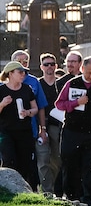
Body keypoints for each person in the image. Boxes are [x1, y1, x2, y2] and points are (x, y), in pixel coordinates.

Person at [55, 56, 91, 206]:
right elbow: (59, 104)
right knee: (70, 163)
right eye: (89, 73)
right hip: (72, 131)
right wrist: (76, 103)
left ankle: (89, 199)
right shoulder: (72, 83)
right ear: (82, 69)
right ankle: (73, 196)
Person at [11, 50, 49, 191]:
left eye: (25, 61)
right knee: (11, 159)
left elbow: (40, 107)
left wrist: (42, 129)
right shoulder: (4, 84)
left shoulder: (33, 82)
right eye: (19, 61)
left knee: (30, 162)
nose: (22, 64)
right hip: (9, 129)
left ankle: (31, 190)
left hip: (30, 128)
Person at [0, 61, 39, 185]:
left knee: (25, 162)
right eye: (20, 72)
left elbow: (35, 109)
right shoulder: (2, 90)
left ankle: (23, 189)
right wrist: (2, 104)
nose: (23, 75)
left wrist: (28, 112)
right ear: (10, 73)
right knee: (9, 160)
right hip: (6, 132)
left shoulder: (27, 89)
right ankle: (9, 188)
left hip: (24, 131)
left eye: (25, 72)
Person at [38, 53, 63, 196]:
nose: (49, 67)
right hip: (40, 127)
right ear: (41, 67)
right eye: (46, 64)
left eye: (52, 64)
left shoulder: (60, 83)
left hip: (56, 126)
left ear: (56, 66)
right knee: (43, 159)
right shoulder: (37, 84)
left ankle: (53, 187)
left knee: (57, 160)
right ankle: (46, 191)